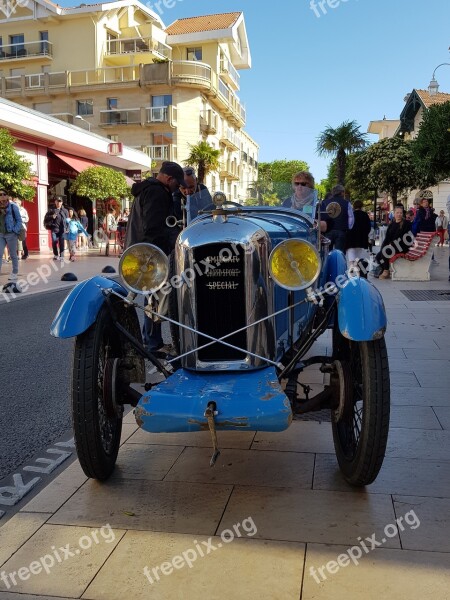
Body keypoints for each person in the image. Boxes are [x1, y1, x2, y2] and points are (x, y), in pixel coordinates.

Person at [125, 161, 187, 354]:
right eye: (177, 184)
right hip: (150, 254)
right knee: (155, 299)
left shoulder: (146, 190)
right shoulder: (157, 193)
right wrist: (159, 255)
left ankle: (152, 341)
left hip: (140, 251)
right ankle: (153, 344)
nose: (177, 188)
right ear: (169, 179)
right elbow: (153, 228)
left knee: (151, 297)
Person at [374, 205, 413, 280]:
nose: (399, 214)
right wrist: (383, 246)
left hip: (402, 246)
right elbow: (387, 238)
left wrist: (392, 244)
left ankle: (386, 270)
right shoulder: (392, 224)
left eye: (401, 213)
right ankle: (383, 269)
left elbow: (407, 238)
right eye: (397, 213)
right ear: (394, 213)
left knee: (386, 251)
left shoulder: (406, 224)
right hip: (392, 246)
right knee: (378, 256)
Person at [320, 184, 354, 252]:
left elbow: (321, 217)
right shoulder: (347, 203)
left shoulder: (324, 202)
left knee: (326, 253)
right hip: (341, 230)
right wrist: (348, 228)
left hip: (328, 231)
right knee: (339, 253)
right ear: (342, 192)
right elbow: (351, 217)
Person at [0, 189, 22, 281]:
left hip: (11, 233)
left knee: (13, 254)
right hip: (1, 234)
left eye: (4, 194)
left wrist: (14, 231)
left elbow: (19, 220)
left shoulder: (13, 207)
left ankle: (14, 272)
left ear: (8, 196)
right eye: (0, 194)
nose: (2, 196)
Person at [345, 200, 371, 269]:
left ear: (354, 206)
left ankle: (351, 266)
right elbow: (368, 227)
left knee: (351, 251)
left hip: (351, 238)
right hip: (361, 238)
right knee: (359, 253)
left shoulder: (351, 215)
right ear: (361, 206)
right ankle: (356, 266)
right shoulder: (365, 215)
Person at [44, 196, 69, 261]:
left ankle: (62, 255)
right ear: (55, 202)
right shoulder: (51, 210)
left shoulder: (65, 211)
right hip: (54, 229)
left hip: (62, 229)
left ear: (62, 203)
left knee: (61, 242)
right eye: (57, 201)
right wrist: (52, 216)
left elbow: (67, 220)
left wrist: (67, 228)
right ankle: (56, 254)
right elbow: (46, 218)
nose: (59, 203)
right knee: (54, 242)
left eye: (60, 202)